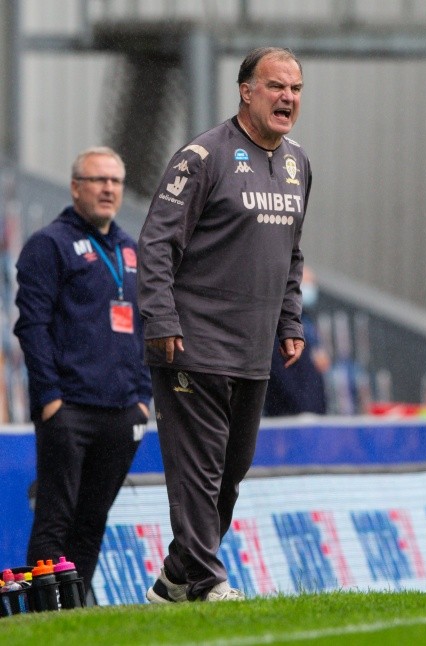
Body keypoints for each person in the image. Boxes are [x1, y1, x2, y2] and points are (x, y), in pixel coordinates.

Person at [137, 46, 311, 602]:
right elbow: (156, 243)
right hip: (192, 341)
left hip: (253, 350)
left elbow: (291, 255)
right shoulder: (203, 157)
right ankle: (208, 582)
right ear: (246, 91)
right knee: (200, 472)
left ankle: (174, 580)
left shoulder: (298, 164)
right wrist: (161, 317)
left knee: (229, 477)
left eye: (296, 89)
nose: (287, 98)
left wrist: (290, 322)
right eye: (276, 86)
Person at [14, 146, 152, 597]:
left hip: (122, 410)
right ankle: (43, 616)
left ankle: (75, 611)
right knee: (55, 520)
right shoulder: (48, 245)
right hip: (69, 408)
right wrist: (50, 399)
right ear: (76, 187)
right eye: (98, 180)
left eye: (115, 181)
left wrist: (142, 398)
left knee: (92, 521)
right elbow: (32, 326)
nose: (108, 189)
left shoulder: (130, 249)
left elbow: (145, 325)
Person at [263, 266, 329, 416]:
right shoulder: (279, 324)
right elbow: (280, 373)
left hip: (311, 410)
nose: (310, 289)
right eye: (306, 283)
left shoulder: (307, 321)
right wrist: (301, 407)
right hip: (289, 413)